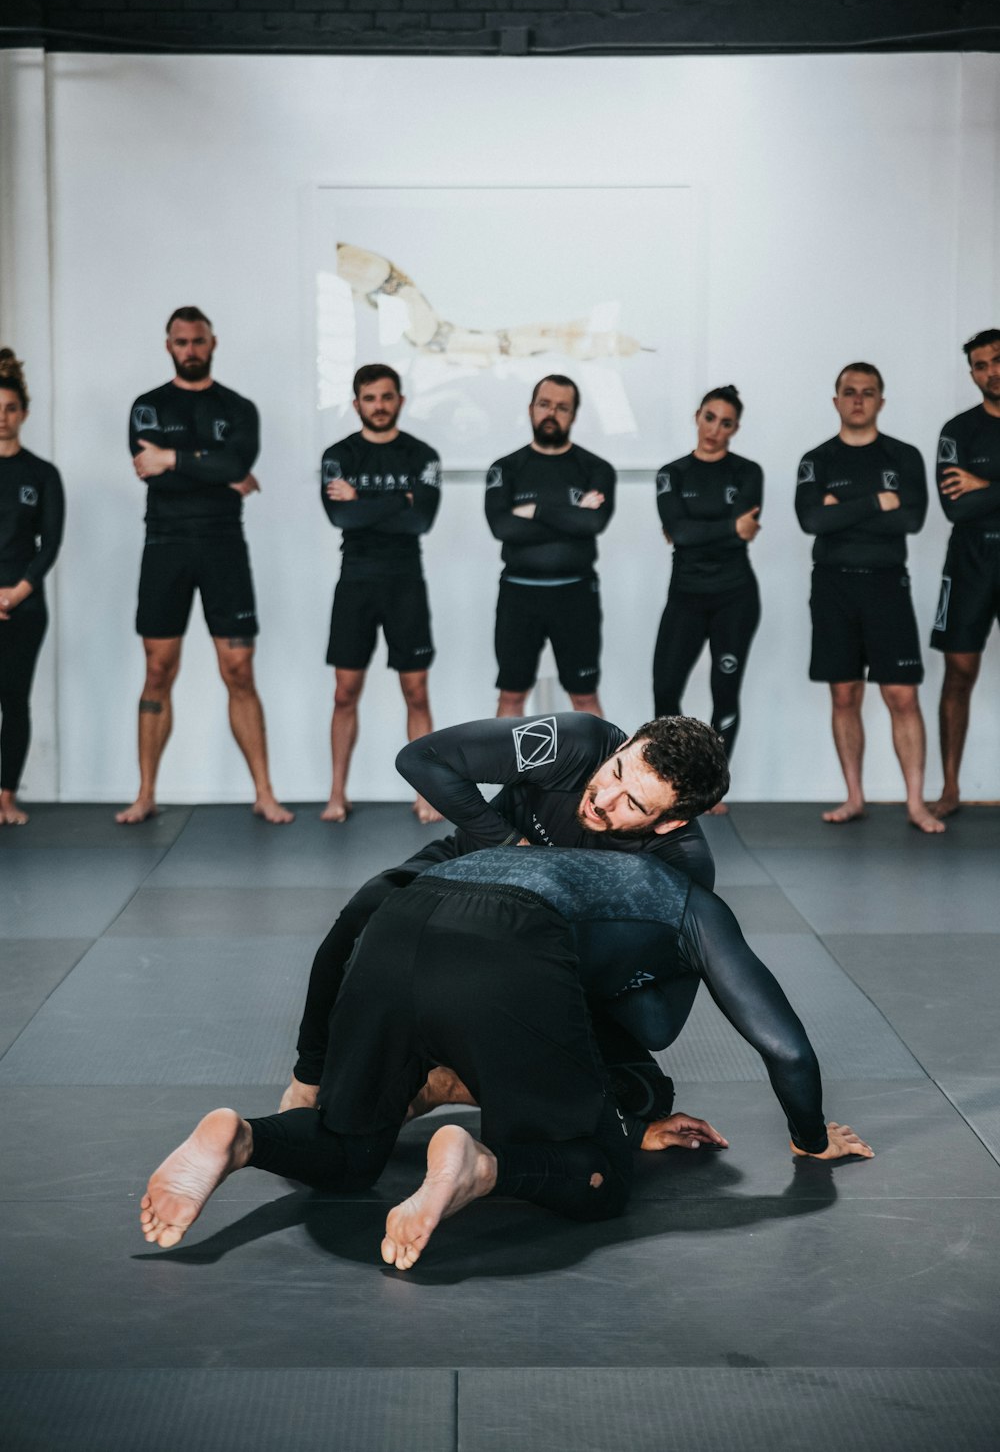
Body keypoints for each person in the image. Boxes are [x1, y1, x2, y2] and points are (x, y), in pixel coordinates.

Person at [140, 846, 873, 1264]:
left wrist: (313, 1068)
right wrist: (811, 1138)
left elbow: (354, 920)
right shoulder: (687, 905)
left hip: (398, 924)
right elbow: (785, 1044)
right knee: (605, 1178)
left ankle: (242, 1137)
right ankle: (479, 1165)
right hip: (506, 955)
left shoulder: (523, 848)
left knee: (351, 1147)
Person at [281, 712, 727, 1119]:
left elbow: (658, 1025)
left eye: (633, 804)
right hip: (462, 870)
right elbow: (422, 758)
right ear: (624, 745)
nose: (603, 799)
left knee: (645, 1098)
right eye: (615, 771)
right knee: (364, 914)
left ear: (668, 822)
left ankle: (449, 1085)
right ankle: (308, 1081)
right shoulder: (578, 742)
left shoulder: (681, 867)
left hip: (539, 953)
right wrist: (512, 849)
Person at [116, 307, 291, 826]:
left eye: (198, 341)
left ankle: (264, 791)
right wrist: (213, 470)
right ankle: (146, 793)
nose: (190, 349)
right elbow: (157, 476)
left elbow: (232, 464)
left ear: (213, 342)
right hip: (165, 545)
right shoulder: (148, 406)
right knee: (157, 669)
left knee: (239, 670)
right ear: (167, 345)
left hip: (222, 547)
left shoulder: (238, 408)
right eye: (181, 342)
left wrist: (173, 459)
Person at [795, 363, 942, 833]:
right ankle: (854, 797)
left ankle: (916, 803)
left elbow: (912, 521)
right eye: (850, 392)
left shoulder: (904, 456)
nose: (858, 400)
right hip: (833, 585)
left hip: (886, 584)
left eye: (868, 392)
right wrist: (877, 503)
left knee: (902, 695)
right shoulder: (815, 460)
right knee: (844, 694)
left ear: (881, 400)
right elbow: (812, 522)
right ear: (836, 400)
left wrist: (842, 511)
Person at [319, 364, 442, 823]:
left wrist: (363, 503)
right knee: (344, 692)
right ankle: (337, 794)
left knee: (417, 692)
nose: (379, 406)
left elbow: (421, 521)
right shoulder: (339, 454)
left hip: (405, 582)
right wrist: (400, 501)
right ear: (356, 404)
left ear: (400, 401)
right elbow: (341, 519)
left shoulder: (422, 455)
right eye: (369, 398)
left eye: (387, 397)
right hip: (355, 583)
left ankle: (426, 795)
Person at [652, 385, 762, 814]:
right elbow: (679, 532)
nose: (716, 429)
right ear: (697, 416)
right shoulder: (671, 472)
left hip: (735, 598)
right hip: (685, 598)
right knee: (665, 691)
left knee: (725, 693)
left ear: (736, 428)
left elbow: (683, 530)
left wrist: (691, 529)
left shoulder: (748, 472)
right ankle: (669, 780)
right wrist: (729, 529)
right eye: (710, 417)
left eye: (727, 422)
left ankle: (711, 788)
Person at [485, 375, 615, 719]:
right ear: (531, 409)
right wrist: (569, 518)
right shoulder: (506, 468)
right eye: (544, 404)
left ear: (573, 415)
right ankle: (508, 776)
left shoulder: (596, 469)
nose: (551, 413)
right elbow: (502, 526)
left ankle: (597, 776)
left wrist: (535, 511)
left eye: (562, 407)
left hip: (575, 597)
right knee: (511, 696)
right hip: (518, 595)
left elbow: (593, 524)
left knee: (584, 697)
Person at [928, 329, 1000, 818]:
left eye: (997, 360)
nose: (991, 372)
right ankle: (951, 788)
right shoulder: (957, 431)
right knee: (959, 672)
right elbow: (956, 509)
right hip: (971, 561)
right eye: (981, 365)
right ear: (972, 373)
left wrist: (987, 485)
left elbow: (976, 498)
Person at [0, 349, 65, 825]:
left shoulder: (42, 474)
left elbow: (51, 541)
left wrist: (16, 592)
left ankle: (5, 797)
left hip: (24, 605)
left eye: (10, 409)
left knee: (14, 700)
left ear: (23, 413)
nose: (2, 418)